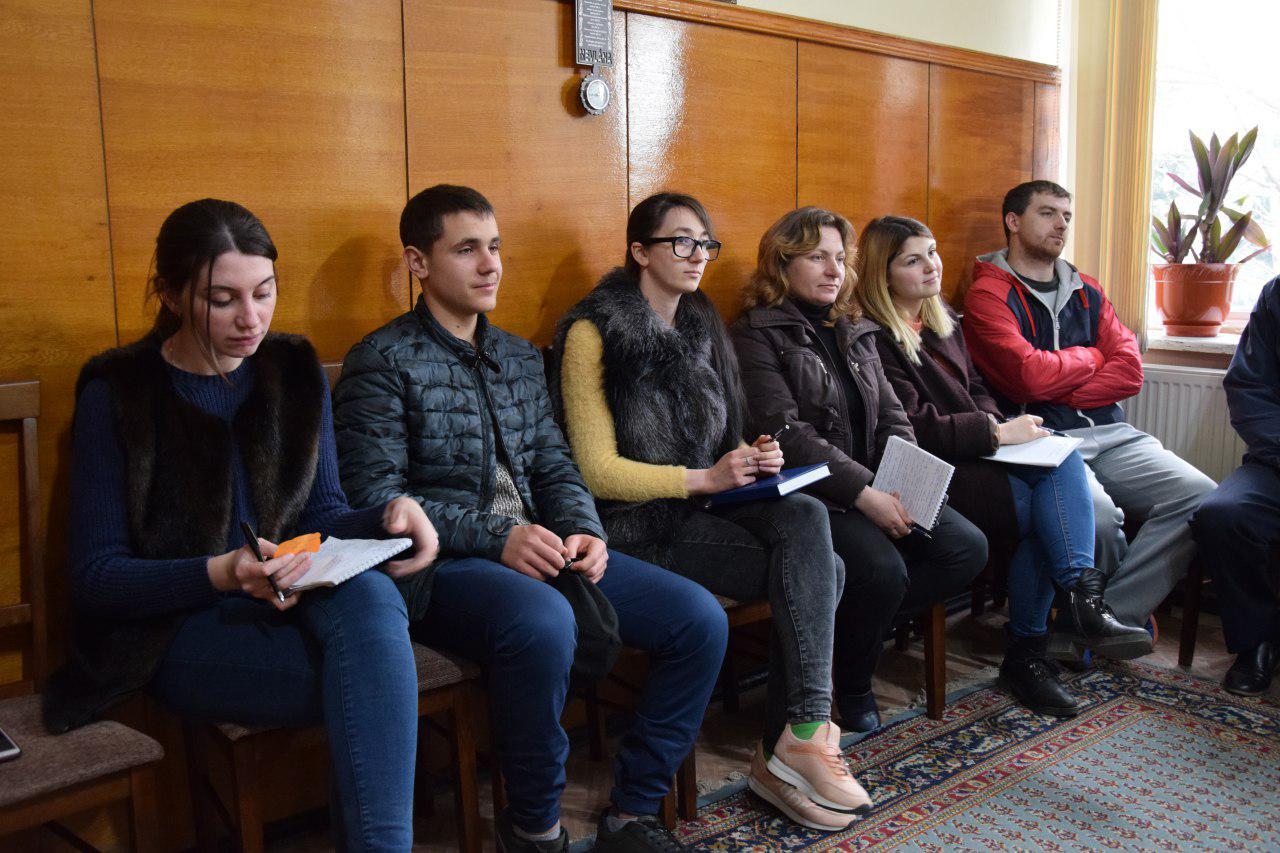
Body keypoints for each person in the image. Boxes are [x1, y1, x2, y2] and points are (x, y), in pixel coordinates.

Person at [333, 185, 728, 853]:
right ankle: (535, 827)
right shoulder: (383, 359)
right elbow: (376, 497)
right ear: (418, 262)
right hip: (444, 565)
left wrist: (585, 529)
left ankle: (632, 811)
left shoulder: (516, 355)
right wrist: (499, 538)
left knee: (699, 619)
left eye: (494, 247)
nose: (490, 264)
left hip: (544, 548)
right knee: (545, 621)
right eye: (467, 249)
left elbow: (554, 465)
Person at [43, 199, 437, 850]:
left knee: (371, 601)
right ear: (170, 295)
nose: (250, 319)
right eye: (221, 299)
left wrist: (388, 513)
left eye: (264, 292)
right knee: (371, 684)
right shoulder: (120, 392)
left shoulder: (293, 370)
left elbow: (322, 517)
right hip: (175, 629)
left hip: (292, 600)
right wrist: (221, 572)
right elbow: (96, 577)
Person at [549, 192, 869, 833]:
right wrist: (706, 477)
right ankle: (788, 750)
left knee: (807, 518)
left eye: (705, 243)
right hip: (632, 528)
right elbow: (595, 469)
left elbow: (722, 438)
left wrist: (751, 455)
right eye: (681, 241)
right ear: (639, 251)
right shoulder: (592, 332)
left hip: (705, 509)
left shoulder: (699, 322)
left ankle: (801, 736)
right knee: (825, 573)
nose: (697, 255)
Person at [857, 215, 1152, 716]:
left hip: (977, 456)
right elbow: (911, 426)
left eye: (933, 252)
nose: (931, 266)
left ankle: (1061, 621)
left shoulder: (943, 320)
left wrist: (1004, 429)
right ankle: (1045, 638)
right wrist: (995, 434)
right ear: (882, 274)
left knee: (1060, 457)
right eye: (913, 260)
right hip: (927, 471)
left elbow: (976, 390)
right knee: (1049, 512)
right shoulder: (873, 338)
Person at [730, 207, 987, 728]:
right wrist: (866, 494)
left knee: (966, 548)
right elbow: (788, 434)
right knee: (882, 571)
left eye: (841, 259)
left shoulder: (853, 326)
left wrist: (901, 482)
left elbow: (893, 415)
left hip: (877, 482)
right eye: (817, 257)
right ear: (781, 263)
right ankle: (851, 684)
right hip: (816, 493)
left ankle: (840, 632)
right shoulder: (754, 334)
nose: (834, 270)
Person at [963, 180, 1216, 646]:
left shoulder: (1087, 289)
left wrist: (1059, 379)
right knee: (1097, 520)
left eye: (1066, 215)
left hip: (1111, 431)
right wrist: (1092, 356)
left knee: (1201, 497)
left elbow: (1130, 372)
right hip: (1042, 440)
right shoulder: (988, 294)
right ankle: (1099, 625)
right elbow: (1027, 379)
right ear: (1013, 221)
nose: (1061, 224)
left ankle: (1104, 617)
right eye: (1047, 213)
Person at [1190, 276, 1280, 695]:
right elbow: (1248, 386)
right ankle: (1257, 642)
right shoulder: (1277, 294)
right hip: (1275, 460)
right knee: (1221, 516)